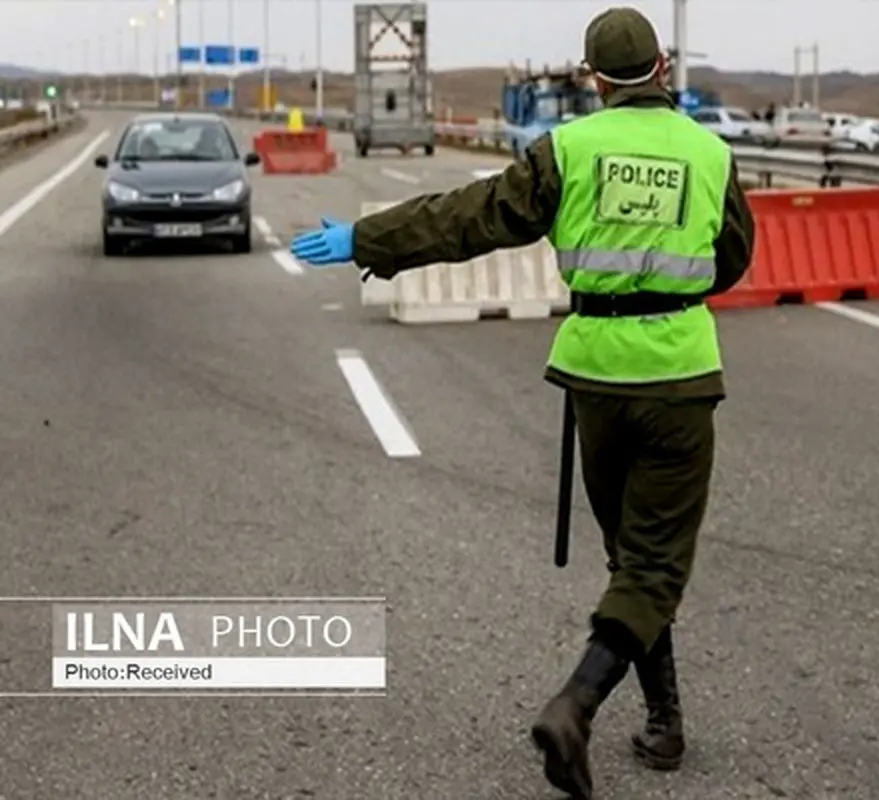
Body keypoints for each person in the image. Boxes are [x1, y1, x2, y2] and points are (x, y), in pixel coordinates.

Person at [290, 6, 754, 798]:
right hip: (678, 376)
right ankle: (575, 706)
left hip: (597, 377)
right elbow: (732, 260)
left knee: (632, 560)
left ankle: (666, 723)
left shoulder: (567, 150)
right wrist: (665, 286)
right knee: (653, 565)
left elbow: (470, 218)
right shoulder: (710, 154)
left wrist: (370, 241)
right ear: (664, 69)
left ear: (595, 79)